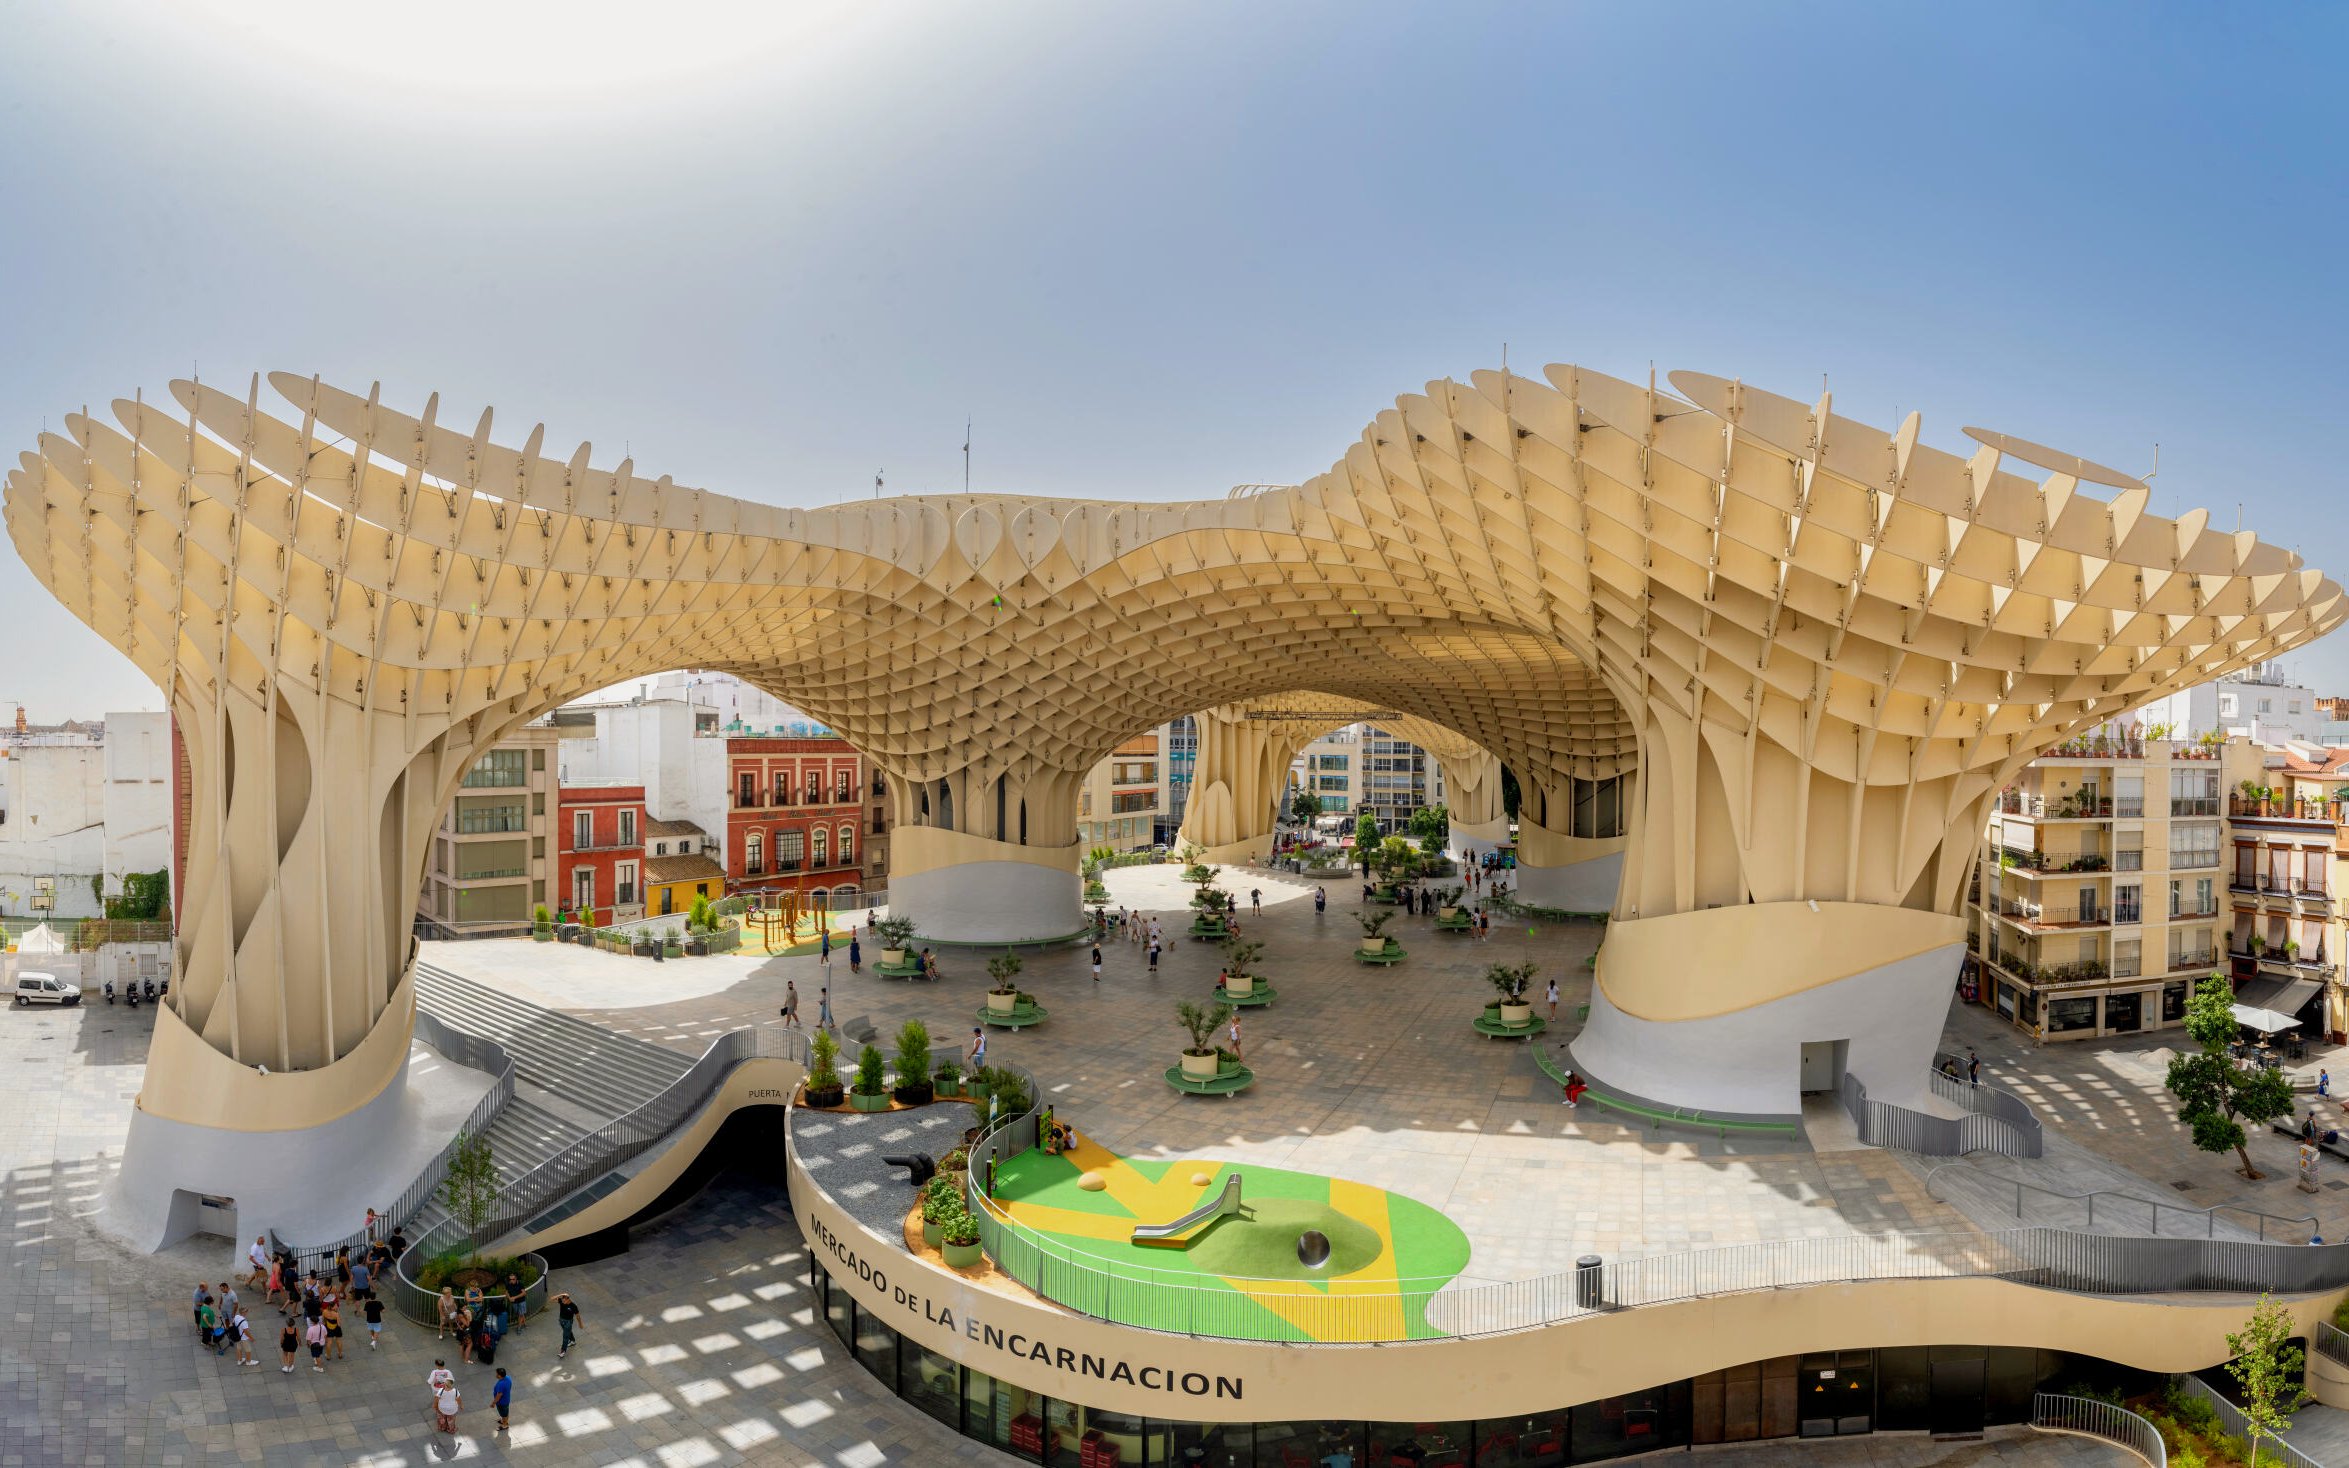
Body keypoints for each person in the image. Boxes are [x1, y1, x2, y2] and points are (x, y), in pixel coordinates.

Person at [555, 1292, 582, 1358]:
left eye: (564, 1301)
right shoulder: (561, 1301)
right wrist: (561, 1295)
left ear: (568, 1299)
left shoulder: (573, 1306)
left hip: (568, 1322)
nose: (563, 1302)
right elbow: (552, 1298)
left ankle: (562, 1351)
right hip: (561, 1321)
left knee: (565, 1336)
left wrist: (580, 1324)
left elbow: (578, 1316)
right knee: (568, 1331)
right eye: (562, 1300)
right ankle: (572, 1341)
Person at [492, 1366, 513, 1433]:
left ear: (500, 1375)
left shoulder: (501, 1384)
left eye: (497, 1374)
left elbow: (499, 1395)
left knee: (504, 1414)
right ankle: (503, 1421)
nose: (496, 1375)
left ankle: (505, 1425)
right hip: (506, 1399)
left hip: (502, 1402)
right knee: (505, 1412)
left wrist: (493, 1403)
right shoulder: (508, 1378)